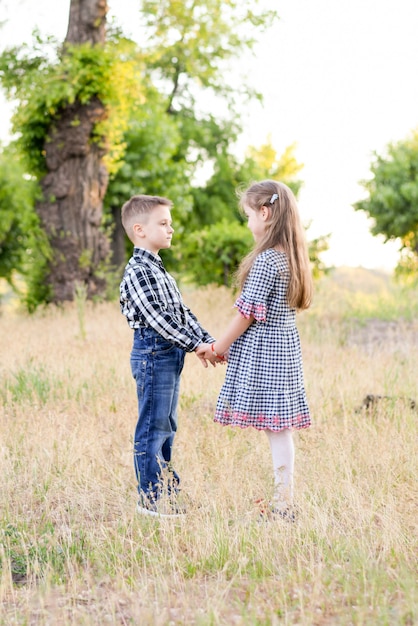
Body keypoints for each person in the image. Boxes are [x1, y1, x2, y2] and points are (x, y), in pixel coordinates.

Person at [196, 180, 313, 520]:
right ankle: (283, 499)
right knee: (279, 429)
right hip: (283, 349)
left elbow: (247, 313)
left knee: (277, 429)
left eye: (248, 215)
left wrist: (218, 347)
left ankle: (283, 503)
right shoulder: (291, 258)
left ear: (265, 213)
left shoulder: (266, 261)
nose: (248, 224)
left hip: (268, 352)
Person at [120, 194, 219, 518]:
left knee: (166, 426)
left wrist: (208, 341)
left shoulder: (159, 271)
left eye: (170, 223)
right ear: (140, 230)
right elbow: (158, 319)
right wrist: (195, 347)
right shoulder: (137, 271)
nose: (171, 229)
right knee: (152, 427)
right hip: (152, 353)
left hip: (168, 354)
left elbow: (180, 312)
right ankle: (150, 500)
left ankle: (168, 493)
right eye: (163, 223)